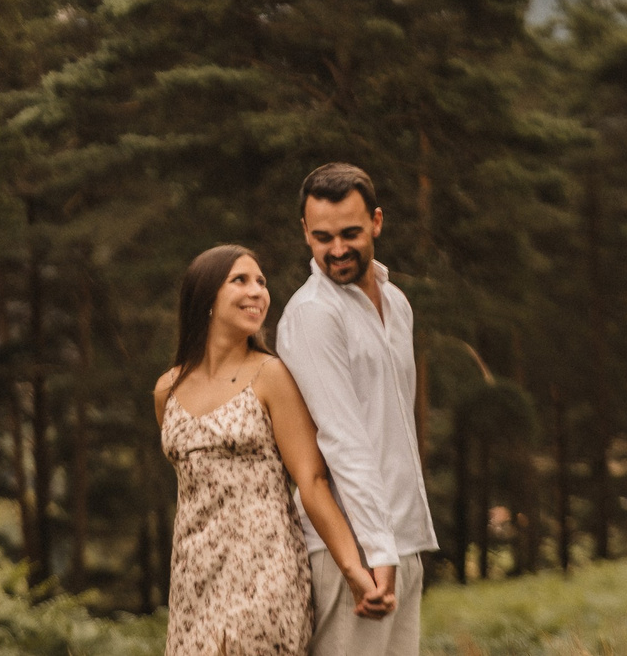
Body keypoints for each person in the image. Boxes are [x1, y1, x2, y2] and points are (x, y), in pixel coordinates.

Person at [155, 244, 393, 656]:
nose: (258, 292)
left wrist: (354, 568)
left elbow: (311, 480)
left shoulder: (271, 376)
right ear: (205, 298)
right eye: (240, 280)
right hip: (193, 577)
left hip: (265, 568)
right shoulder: (167, 390)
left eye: (261, 282)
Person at [274, 163, 437, 656]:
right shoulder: (312, 315)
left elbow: (393, 430)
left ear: (377, 223)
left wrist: (396, 546)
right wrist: (376, 551)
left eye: (350, 233)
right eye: (322, 237)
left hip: (402, 540)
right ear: (305, 232)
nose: (337, 249)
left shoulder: (398, 304)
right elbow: (342, 442)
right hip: (351, 549)